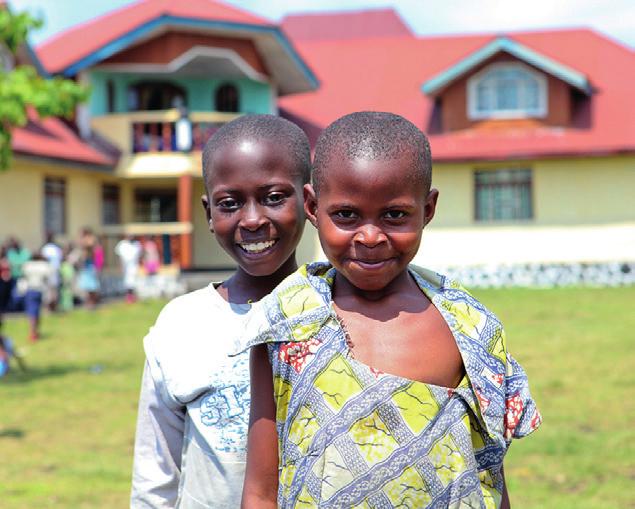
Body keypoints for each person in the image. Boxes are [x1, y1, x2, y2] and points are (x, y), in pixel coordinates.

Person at [241, 112, 541, 508]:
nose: (370, 236)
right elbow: (261, 489)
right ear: (313, 206)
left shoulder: (469, 327)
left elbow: (487, 469)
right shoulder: (285, 321)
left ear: (427, 209)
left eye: (395, 215)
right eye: (346, 215)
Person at [130, 114, 311, 508]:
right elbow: (154, 473)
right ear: (209, 212)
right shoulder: (181, 324)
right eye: (230, 204)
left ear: (309, 201)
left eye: (274, 197)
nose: (252, 219)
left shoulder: (336, 310)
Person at [21, 253, 53, 341]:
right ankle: (36, 332)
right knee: (37, 312)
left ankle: (33, 333)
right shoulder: (43, 266)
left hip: (31, 290)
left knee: (32, 313)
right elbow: (49, 276)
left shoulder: (28, 266)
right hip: (40, 290)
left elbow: (23, 276)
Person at [77, 228, 100, 309]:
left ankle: (93, 303)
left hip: (90, 265)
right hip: (86, 265)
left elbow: (89, 247)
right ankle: (89, 303)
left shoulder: (90, 240)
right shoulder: (86, 241)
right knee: (86, 286)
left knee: (91, 286)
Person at [115, 235, 142, 303]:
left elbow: (140, 255)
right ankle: (128, 296)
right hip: (125, 266)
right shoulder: (122, 244)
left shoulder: (137, 244)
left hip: (134, 266)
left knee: (132, 281)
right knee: (127, 281)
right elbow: (118, 256)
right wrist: (119, 266)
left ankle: (131, 296)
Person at [41, 233, 64, 311]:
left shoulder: (47, 248)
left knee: (50, 291)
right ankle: (52, 307)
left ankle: (51, 308)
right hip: (53, 271)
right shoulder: (55, 248)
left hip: (51, 271)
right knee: (52, 290)